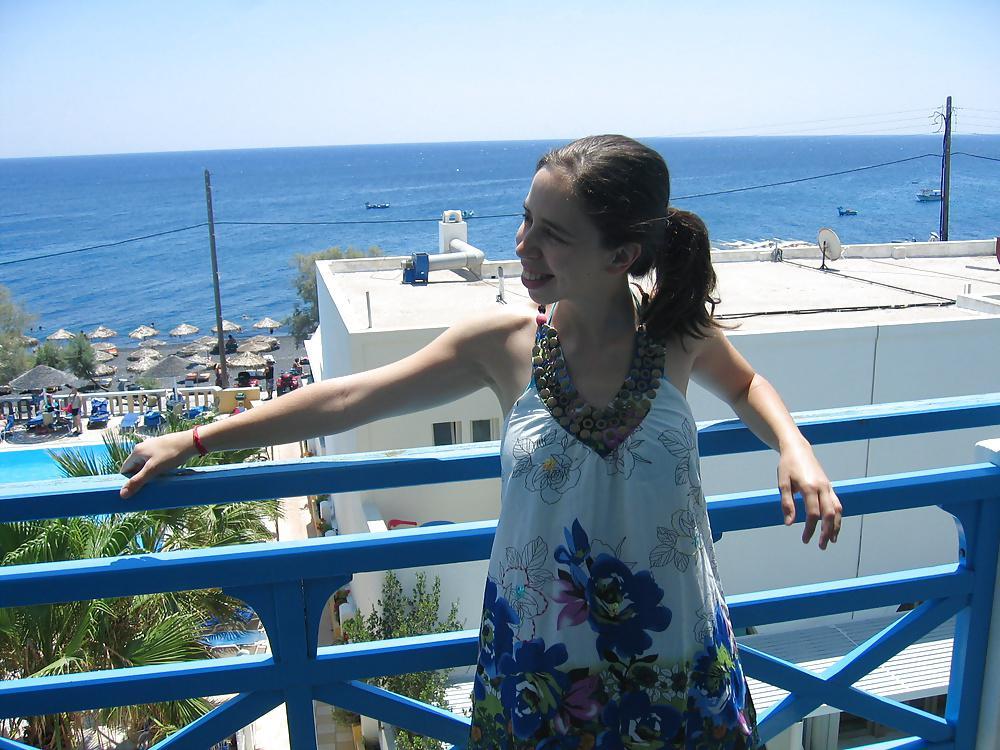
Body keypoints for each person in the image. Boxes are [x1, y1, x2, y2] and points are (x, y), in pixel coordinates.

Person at [120, 135, 841, 747]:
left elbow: (746, 385)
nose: (523, 244)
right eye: (526, 219)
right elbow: (345, 398)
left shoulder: (677, 332)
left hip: (675, 650)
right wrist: (198, 438)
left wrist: (794, 446)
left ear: (620, 253)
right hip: (540, 665)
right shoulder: (504, 345)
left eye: (553, 233)